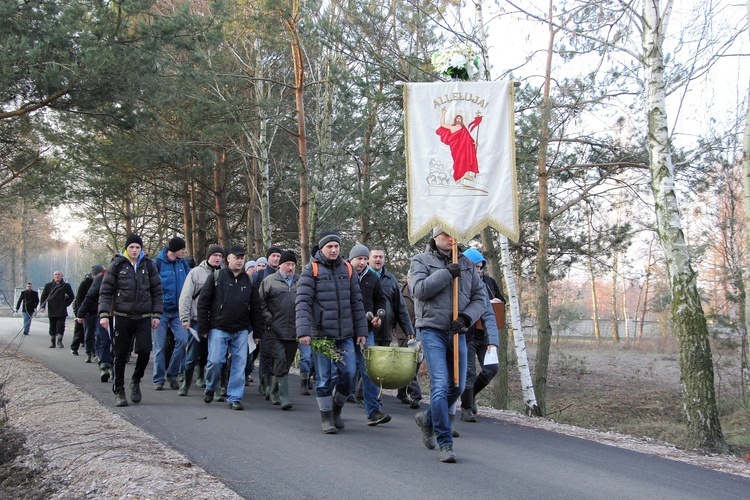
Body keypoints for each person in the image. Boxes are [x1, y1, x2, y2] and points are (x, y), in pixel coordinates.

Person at [409, 227, 486, 463]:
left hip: (457, 331)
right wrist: (445, 274)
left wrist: (465, 318)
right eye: (446, 234)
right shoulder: (420, 260)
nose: (451, 239)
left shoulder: (466, 264)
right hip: (431, 329)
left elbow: (480, 298)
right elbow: (419, 290)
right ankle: (445, 443)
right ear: (435, 236)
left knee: (458, 386)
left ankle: (427, 418)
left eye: (455, 234)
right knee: (440, 385)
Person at [296, 231, 367, 434]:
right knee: (324, 378)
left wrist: (361, 330)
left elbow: (356, 302)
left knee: (349, 375)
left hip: (345, 335)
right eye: (330, 247)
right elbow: (302, 303)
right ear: (322, 248)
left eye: (336, 246)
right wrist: (304, 332)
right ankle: (326, 417)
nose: (334, 250)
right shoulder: (312, 270)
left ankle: (337, 409)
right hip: (321, 334)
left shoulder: (347, 269)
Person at [98, 234, 163, 407]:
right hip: (122, 316)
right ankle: (119, 390)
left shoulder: (149, 266)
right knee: (120, 355)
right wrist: (104, 314)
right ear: (126, 248)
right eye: (132, 247)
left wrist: (156, 314)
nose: (134, 250)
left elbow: (157, 291)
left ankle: (135, 380)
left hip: (143, 316)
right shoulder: (117, 265)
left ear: (142, 249)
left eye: (138, 247)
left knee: (144, 350)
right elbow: (105, 291)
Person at [197, 245, 263, 411]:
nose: (239, 261)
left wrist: (257, 331)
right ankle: (211, 386)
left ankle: (234, 397)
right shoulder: (216, 277)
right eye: (236, 257)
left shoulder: (249, 281)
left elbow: (256, 307)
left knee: (239, 364)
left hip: (241, 330)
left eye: (242, 258)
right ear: (228, 259)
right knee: (215, 361)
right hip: (219, 327)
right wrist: (203, 327)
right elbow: (203, 303)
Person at [370, 246, 420, 409]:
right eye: (375, 257)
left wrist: (409, 332)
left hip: (385, 330)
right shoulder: (363, 277)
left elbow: (400, 309)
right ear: (369, 259)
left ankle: (370, 395)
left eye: (381, 257)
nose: (378, 260)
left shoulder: (390, 280)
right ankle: (365, 395)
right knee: (366, 366)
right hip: (366, 330)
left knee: (380, 367)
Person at [348, 243, 390, 426]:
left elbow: (380, 300)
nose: (363, 262)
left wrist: (379, 315)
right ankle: (335, 403)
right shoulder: (344, 275)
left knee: (370, 370)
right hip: (345, 330)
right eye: (360, 259)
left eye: (366, 259)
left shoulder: (372, 278)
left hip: (366, 330)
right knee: (345, 371)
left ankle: (373, 411)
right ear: (351, 259)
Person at [460, 248, 504, 422]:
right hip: (467, 335)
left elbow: (493, 311)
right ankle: (466, 408)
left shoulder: (488, 283)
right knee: (469, 372)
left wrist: (493, 341)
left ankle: (471, 397)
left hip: (484, 335)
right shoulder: (461, 284)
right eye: (476, 267)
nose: (479, 271)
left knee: (492, 368)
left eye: (481, 267)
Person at [178, 244, 224, 396]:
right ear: (208, 256)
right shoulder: (196, 273)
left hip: (217, 321)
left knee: (215, 356)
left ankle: (213, 387)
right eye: (215, 255)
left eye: (220, 256)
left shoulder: (225, 274)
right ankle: (186, 383)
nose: (217, 258)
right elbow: (186, 296)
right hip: (197, 319)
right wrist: (185, 318)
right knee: (192, 354)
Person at [258, 250, 299, 410]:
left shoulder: (300, 281)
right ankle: (283, 397)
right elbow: (260, 302)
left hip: (294, 330)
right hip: (274, 329)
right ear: (280, 265)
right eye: (287, 264)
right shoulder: (269, 281)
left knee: (287, 362)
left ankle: (273, 389)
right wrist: (268, 318)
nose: (290, 267)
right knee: (280, 358)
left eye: (293, 264)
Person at [153, 236, 191, 390]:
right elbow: (152, 286)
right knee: (160, 346)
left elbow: (189, 284)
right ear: (174, 249)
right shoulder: (158, 263)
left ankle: (172, 374)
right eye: (182, 249)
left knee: (182, 341)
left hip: (178, 312)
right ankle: (158, 379)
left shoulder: (183, 264)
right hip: (160, 311)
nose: (184, 251)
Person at [77, 265, 113, 381]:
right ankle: (104, 365)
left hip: (121, 316)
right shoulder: (101, 279)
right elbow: (89, 296)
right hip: (102, 314)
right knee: (103, 339)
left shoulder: (128, 277)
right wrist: (81, 313)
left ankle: (110, 365)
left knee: (115, 342)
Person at [436, 107, 480, 183]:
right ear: (455, 120)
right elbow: (442, 124)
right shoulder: (452, 127)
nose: (459, 120)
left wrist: (473, 142)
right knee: (458, 161)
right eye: (457, 118)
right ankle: (458, 177)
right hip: (456, 149)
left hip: (464, 147)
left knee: (466, 159)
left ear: (461, 120)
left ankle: (466, 174)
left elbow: (467, 138)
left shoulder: (463, 128)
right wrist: (443, 114)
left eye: (460, 119)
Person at [73, 265, 105, 362]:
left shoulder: (104, 282)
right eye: (97, 275)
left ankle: (97, 353)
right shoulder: (85, 283)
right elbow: (80, 298)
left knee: (99, 335)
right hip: (88, 313)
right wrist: (80, 313)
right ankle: (89, 353)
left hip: (99, 312)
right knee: (88, 335)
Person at [39, 271, 75, 348]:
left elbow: (71, 296)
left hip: (62, 309)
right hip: (52, 309)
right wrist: (42, 307)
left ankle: (60, 340)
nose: (57, 276)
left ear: (62, 276)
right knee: (52, 326)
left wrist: (66, 304)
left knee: (61, 325)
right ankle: (52, 342)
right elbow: (44, 297)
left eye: (59, 275)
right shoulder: (48, 286)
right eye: (56, 275)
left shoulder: (66, 286)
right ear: (53, 276)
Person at [70, 270, 95, 357]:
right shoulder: (84, 284)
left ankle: (92, 350)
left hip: (93, 311)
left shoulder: (99, 283)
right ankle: (74, 348)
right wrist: (80, 312)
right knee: (79, 331)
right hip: (82, 310)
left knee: (92, 333)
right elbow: (78, 299)